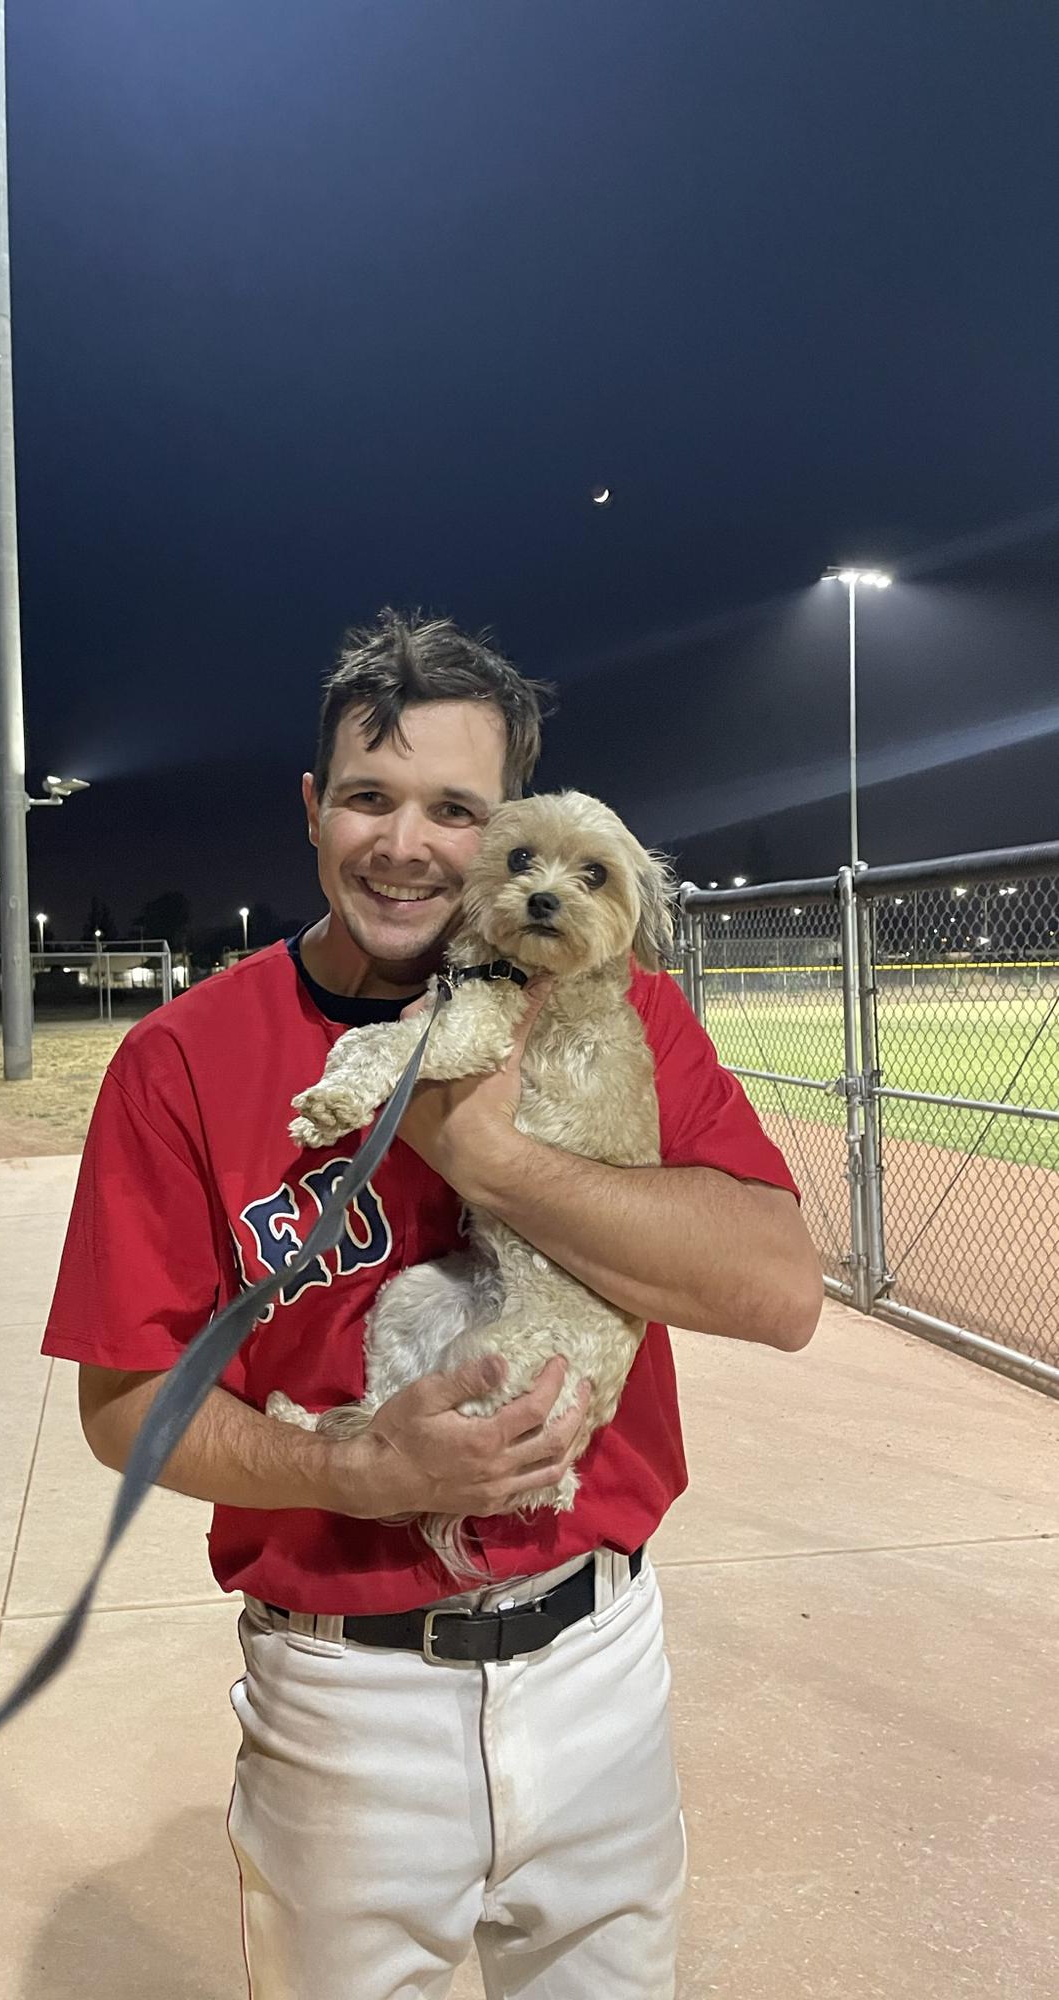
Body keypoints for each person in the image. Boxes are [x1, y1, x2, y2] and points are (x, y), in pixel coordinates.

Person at [42, 609, 821, 1999]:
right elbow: (121, 1408)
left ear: (504, 826)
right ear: (311, 809)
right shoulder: (181, 1061)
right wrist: (358, 1466)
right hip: (349, 1694)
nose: (405, 845)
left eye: (455, 809)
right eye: (368, 798)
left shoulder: (625, 1014)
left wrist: (491, 1155)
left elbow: (779, 1290)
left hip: (598, 1653)